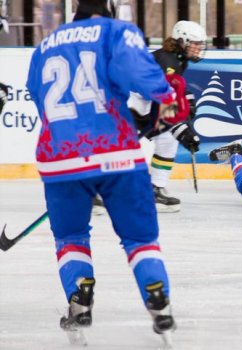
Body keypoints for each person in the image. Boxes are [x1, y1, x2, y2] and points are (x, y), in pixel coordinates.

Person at [25, 0, 177, 342]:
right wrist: (167, 94)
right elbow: (140, 73)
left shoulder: (45, 45)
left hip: (59, 158)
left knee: (70, 237)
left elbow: (38, 96)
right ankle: (157, 297)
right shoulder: (116, 31)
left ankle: (80, 299)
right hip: (116, 154)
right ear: (107, 8)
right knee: (139, 238)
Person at [95, 20, 205, 213]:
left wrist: (186, 99)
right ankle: (92, 190)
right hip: (128, 101)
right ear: (182, 41)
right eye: (195, 43)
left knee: (166, 138)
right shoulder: (167, 60)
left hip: (141, 102)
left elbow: (173, 88)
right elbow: (165, 97)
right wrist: (183, 128)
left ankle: (154, 189)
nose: (198, 48)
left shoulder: (176, 59)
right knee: (119, 147)